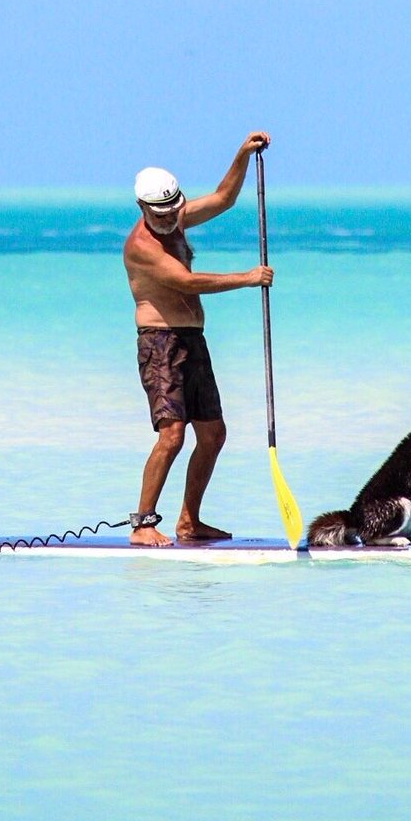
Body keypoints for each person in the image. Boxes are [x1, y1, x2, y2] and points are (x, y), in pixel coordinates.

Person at [123, 131, 274, 546]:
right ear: (142, 208)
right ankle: (142, 524)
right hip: (160, 343)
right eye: (160, 215)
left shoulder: (176, 217)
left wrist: (242, 154)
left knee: (213, 434)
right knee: (172, 435)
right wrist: (248, 278)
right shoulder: (141, 246)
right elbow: (186, 283)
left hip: (193, 342)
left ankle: (189, 521)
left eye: (173, 211)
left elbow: (224, 198)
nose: (169, 220)